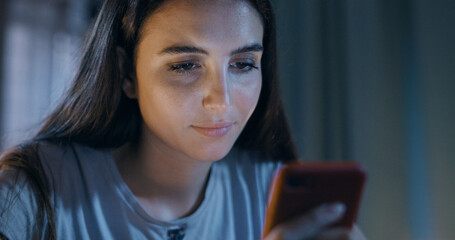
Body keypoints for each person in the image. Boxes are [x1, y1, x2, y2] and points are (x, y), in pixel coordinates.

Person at [0, 0, 367, 239]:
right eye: (186, 65)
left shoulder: (271, 193)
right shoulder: (32, 191)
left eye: (242, 65)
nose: (221, 101)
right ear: (126, 73)